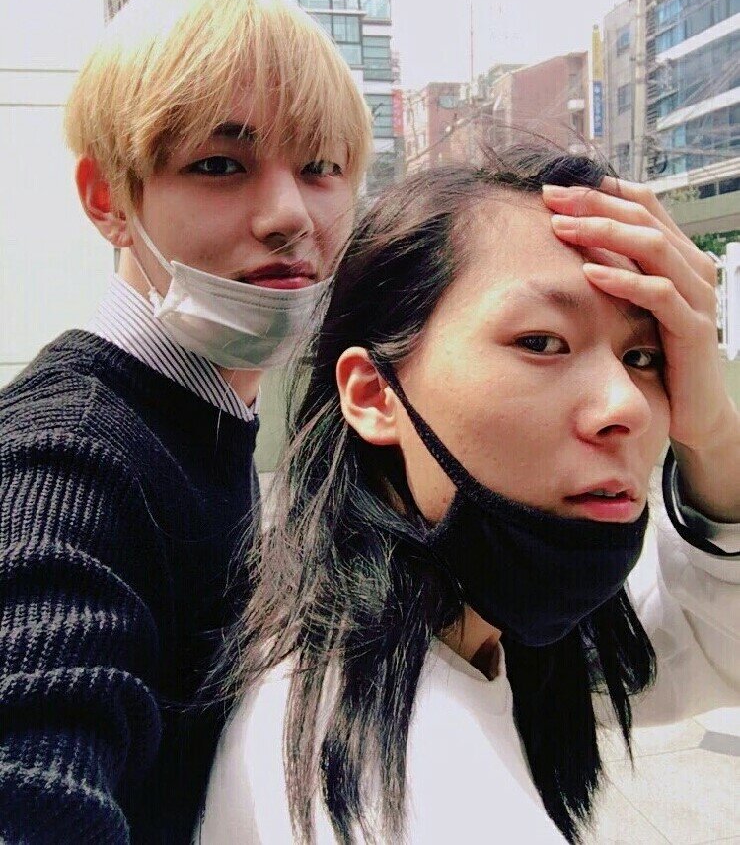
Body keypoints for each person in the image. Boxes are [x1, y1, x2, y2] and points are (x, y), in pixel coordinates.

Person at [197, 148, 740, 844]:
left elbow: (714, 640)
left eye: (642, 357)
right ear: (374, 394)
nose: (626, 405)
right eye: (542, 342)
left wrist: (713, 433)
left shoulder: (474, 633)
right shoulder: (405, 792)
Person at [0, 0, 372, 843]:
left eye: (320, 167)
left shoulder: (198, 422)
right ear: (108, 199)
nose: (289, 214)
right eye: (219, 165)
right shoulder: (66, 460)